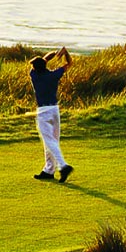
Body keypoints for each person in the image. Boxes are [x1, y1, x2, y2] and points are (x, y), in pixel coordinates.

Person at [31, 47, 73, 182]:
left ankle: (63, 166)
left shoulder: (34, 75)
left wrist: (54, 54)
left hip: (43, 112)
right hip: (55, 110)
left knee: (49, 141)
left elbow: (45, 60)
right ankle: (48, 170)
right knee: (52, 141)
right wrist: (64, 53)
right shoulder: (54, 75)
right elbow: (69, 64)